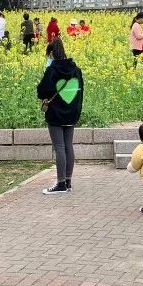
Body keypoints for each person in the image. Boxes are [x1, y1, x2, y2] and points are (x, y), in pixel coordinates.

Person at [36, 37, 83, 195]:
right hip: (71, 113)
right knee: (68, 146)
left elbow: (42, 91)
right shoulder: (76, 70)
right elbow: (79, 92)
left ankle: (61, 184)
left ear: (51, 53)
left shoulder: (52, 70)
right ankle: (68, 182)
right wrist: (76, 110)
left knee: (59, 147)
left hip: (55, 114)